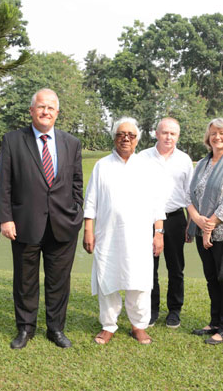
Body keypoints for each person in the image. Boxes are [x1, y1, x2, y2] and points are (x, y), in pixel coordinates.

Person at [0, 88, 84, 349]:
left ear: (57, 112)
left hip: (63, 224)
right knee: (25, 280)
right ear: (31, 110)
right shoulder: (13, 140)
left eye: (51, 108)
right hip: (25, 223)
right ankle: (25, 329)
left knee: (59, 281)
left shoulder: (71, 143)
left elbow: (77, 183)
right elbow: (4, 184)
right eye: (41, 107)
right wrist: (5, 218)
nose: (46, 111)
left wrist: (76, 213)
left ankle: (56, 329)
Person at [83, 117, 165, 345]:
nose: (125, 138)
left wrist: (159, 233)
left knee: (139, 281)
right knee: (107, 279)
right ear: (114, 138)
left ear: (137, 139)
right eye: (121, 134)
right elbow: (91, 201)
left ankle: (138, 325)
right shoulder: (102, 165)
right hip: (108, 235)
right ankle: (108, 325)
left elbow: (158, 204)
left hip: (139, 238)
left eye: (130, 135)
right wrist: (88, 230)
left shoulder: (147, 166)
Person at [186, 118, 223, 345]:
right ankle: (214, 322)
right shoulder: (202, 164)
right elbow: (189, 195)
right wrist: (196, 219)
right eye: (213, 133)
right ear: (208, 137)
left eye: (222, 133)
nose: (217, 137)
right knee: (211, 279)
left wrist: (209, 226)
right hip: (202, 229)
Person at [138, 117, 193, 328]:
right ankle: (151, 309)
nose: (169, 137)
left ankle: (174, 310)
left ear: (178, 136)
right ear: (156, 133)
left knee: (176, 267)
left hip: (175, 218)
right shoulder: (143, 157)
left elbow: (189, 194)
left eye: (173, 133)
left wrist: (191, 223)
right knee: (149, 267)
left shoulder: (185, 160)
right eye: (165, 132)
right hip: (148, 219)